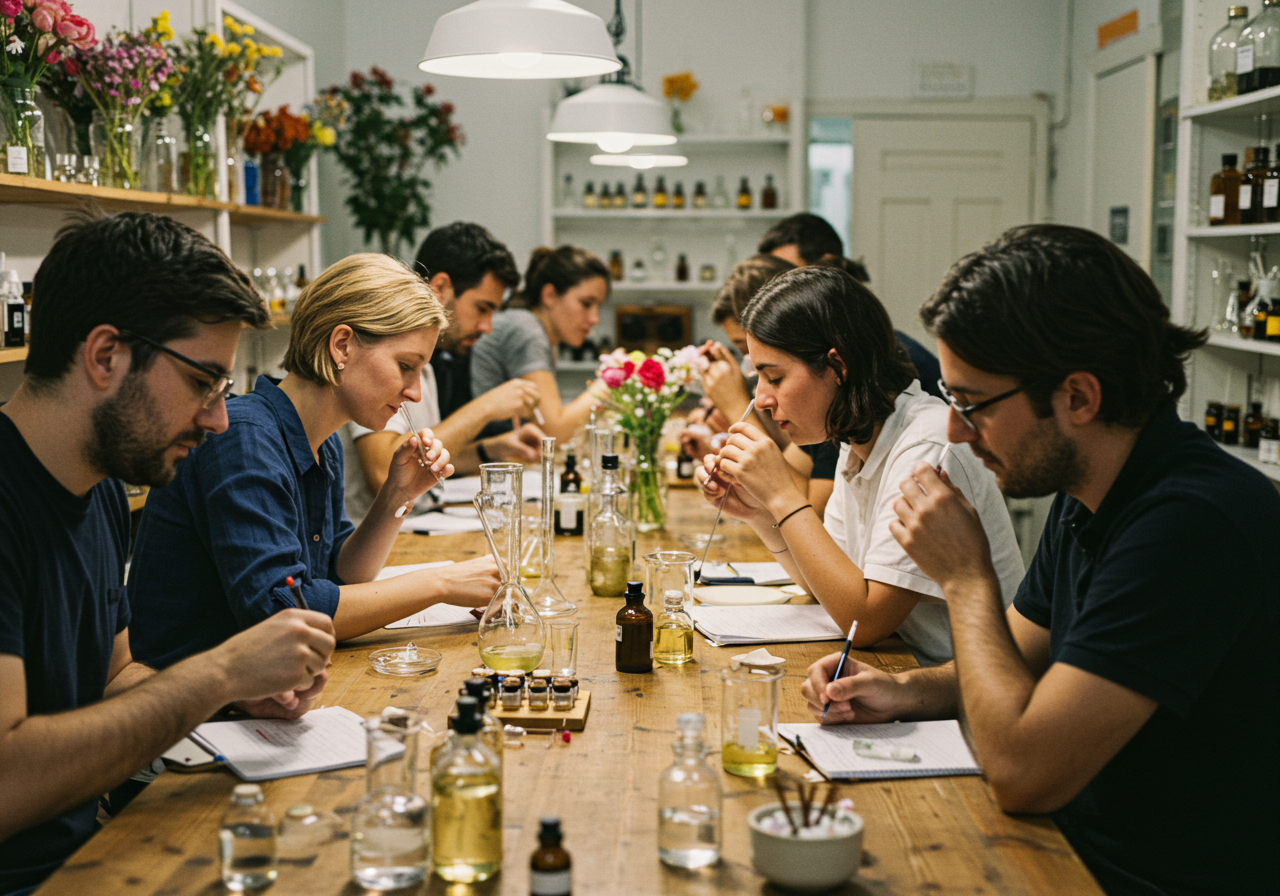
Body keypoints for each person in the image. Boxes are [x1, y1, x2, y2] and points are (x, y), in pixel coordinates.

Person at [805, 224, 1278, 895]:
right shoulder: (1090, 490)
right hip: (1065, 846)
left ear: (1079, 397)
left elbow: (1022, 772)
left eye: (972, 405)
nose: (955, 431)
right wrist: (905, 692)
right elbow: (1023, 657)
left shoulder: (1191, 524)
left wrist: (966, 578)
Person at [0, 211, 335, 896]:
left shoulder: (92, 486)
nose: (217, 419)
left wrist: (242, 695)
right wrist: (216, 674)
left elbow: (115, 677)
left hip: (93, 850)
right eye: (202, 384)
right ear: (104, 356)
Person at [128, 253, 501, 669]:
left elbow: (342, 576)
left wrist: (398, 493)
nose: (414, 392)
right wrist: (443, 582)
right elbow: (285, 612)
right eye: (405, 366)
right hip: (184, 703)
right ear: (342, 345)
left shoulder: (323, 442)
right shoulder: (245, 438)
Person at [697, 266, 1024, 664]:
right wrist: (761, 515)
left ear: (838, 366)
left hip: (957, 693)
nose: (762, 399)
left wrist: (782, 495)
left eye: (775, 378)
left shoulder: (926, 444)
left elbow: (864, 622)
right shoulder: (857, 439)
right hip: (900, 668)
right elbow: (829, 589)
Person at [342, 222, 543, 523]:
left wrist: (490, 450)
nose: (487, 327)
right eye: (482, 308)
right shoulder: (379, 354)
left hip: (414, 526)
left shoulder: (427, 366)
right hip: (374, 542)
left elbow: (425, 462)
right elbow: (386, 473)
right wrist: (486, 407)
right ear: (440, 288)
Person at [469, 245, 609, 442]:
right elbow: (553, 433)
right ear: (549, 295)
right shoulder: (526, 329)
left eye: (598, 307)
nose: (595, 318)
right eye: (586, 304)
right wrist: (609, 381)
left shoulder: (538, 332)